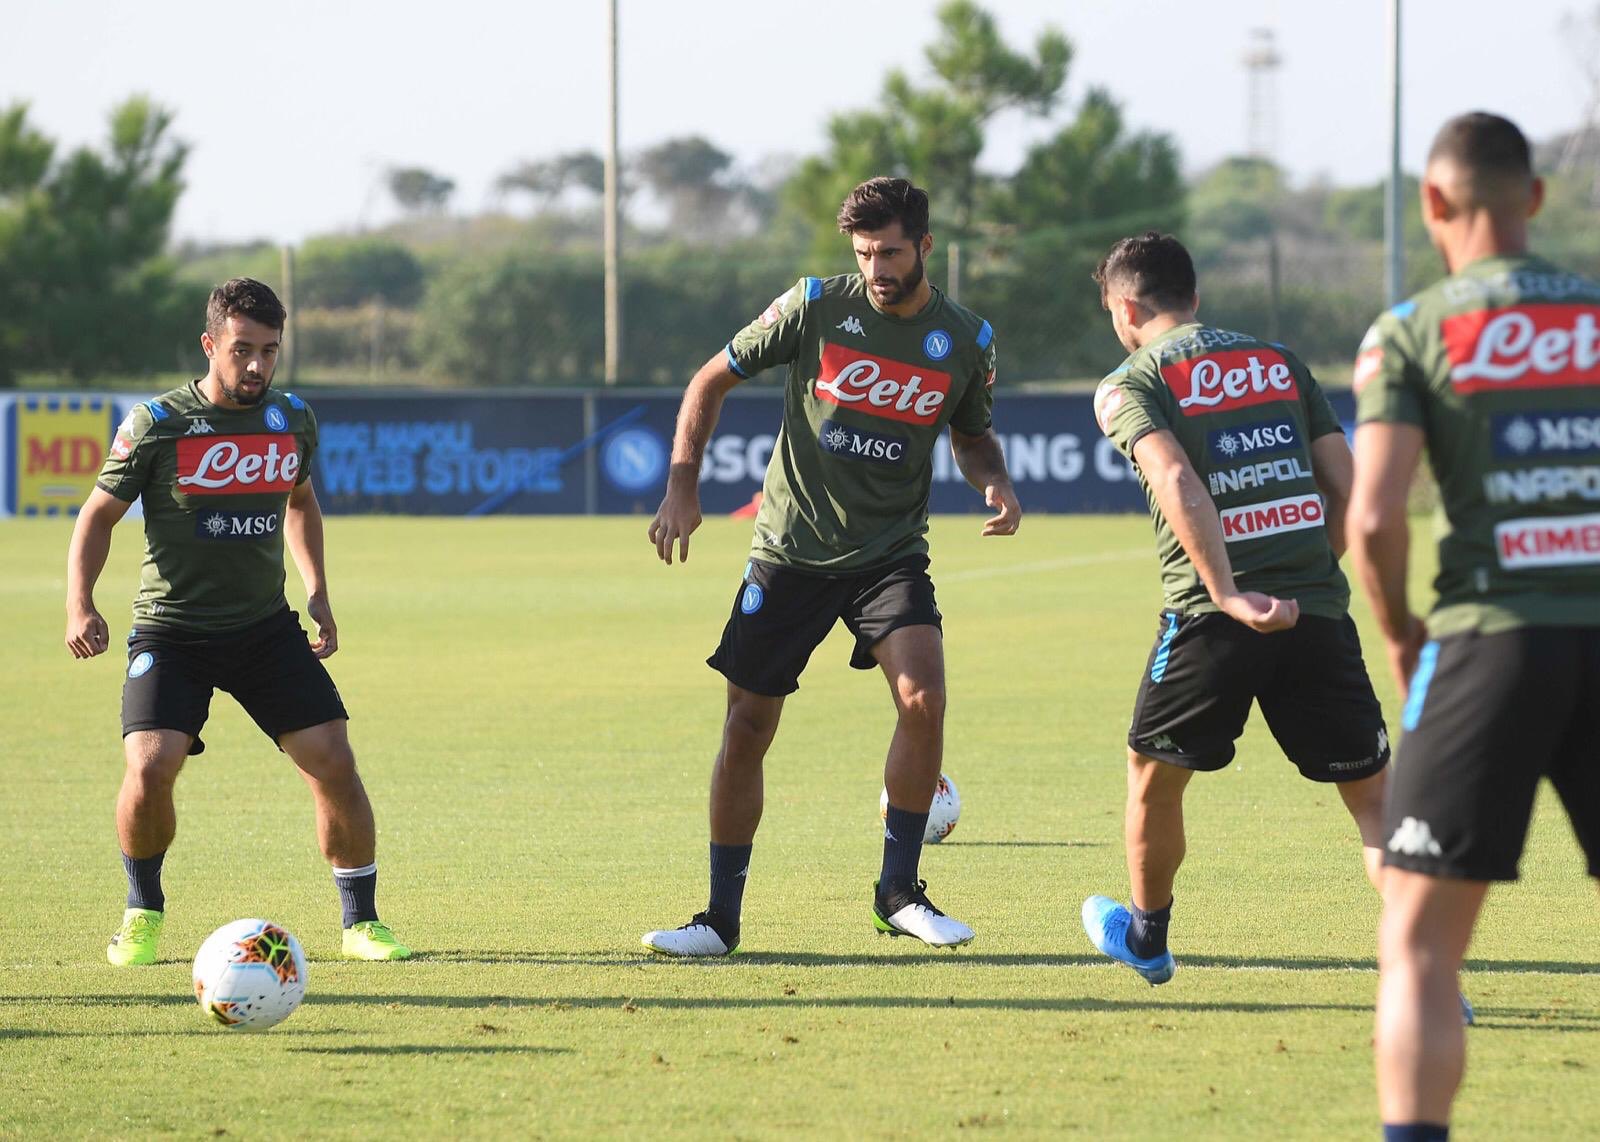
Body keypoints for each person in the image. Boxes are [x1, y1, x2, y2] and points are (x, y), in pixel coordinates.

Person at [641, 177, 1020, 956]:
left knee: (925, 698)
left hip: (889, 554)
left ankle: (899, 895)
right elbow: (709, 380)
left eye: (890, 252)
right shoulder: (815, 305)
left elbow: (972, 433)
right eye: (864, 253)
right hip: (789, 548)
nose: (876, 268)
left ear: (925, 247)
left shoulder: (968, 339)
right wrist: (682, 484)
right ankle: (719, 920)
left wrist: (997, 481)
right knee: (748, 725)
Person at [1348, 112, 1600, 1142]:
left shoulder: (1408, 327)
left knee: (1418, 941)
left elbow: (1371, 516)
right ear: (1533, 199)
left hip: (1486, 638)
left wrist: (1403, 630)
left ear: (1433, 203)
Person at [65, 278, 412, 965]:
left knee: (333, 761)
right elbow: (97, 515)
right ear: (210, 344)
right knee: (150, 764)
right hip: (172, 629)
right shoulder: (156, 423)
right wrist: (81, 601)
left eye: (270, 351)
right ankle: (142, 911)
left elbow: (301, 502)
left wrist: (316, 589)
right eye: (243, 349)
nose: (257, 366)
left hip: (264, 630)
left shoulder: (291, 419)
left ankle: (362, 922)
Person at [1082, 232, 1392, 984]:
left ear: (1126, 308)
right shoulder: (1281, 363)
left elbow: (1176, 480)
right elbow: (1350, 490)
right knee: (1375, 801)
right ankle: (1429, 972)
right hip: (1315, 612)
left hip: (1209, 617)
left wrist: (1227, 592)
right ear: (1194, 296)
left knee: (1152, 772)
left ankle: (1149, 939)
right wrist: (1310, 575)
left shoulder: (1131, 381)